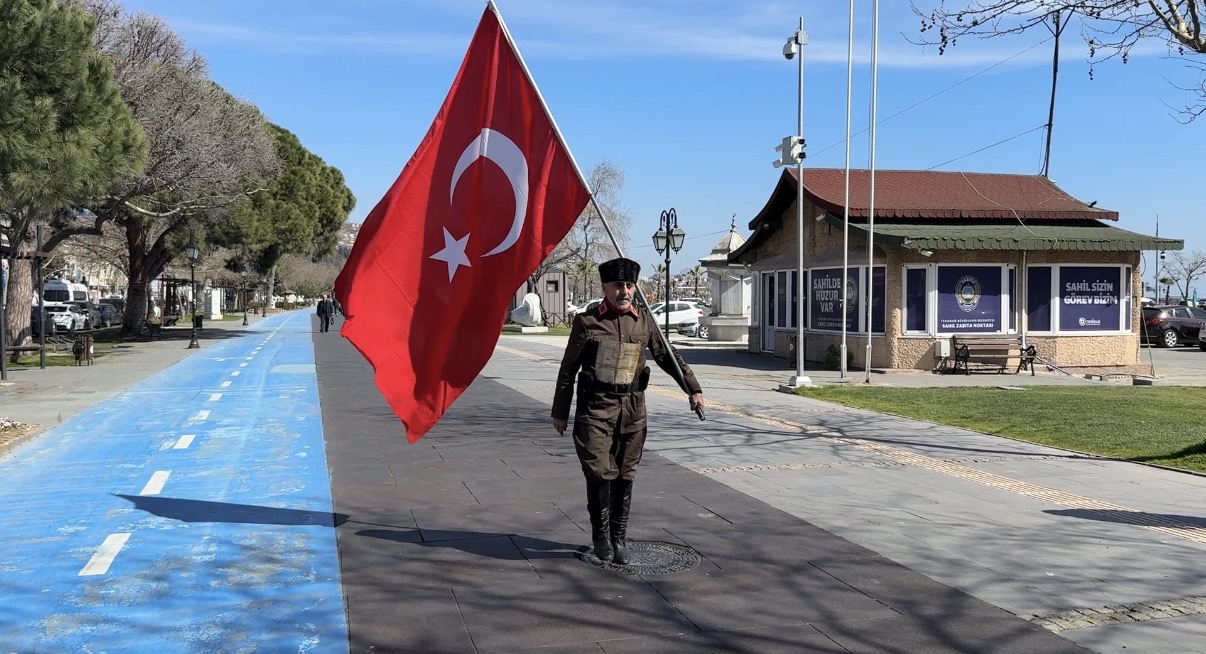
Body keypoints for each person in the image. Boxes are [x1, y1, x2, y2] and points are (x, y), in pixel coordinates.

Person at [552, 257, 704, 564]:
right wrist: (560, 410)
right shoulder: (587, 321)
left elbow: (668, 357)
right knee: (598, 471)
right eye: (618, 285)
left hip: (633, 410)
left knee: (625, 474)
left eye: (630, 285)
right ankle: (600, 534)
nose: (625, 291)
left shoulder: (644, 321)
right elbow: (568, 370)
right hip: (595, 410)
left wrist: (693, 389)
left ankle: (618, 538)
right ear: (606, 287)